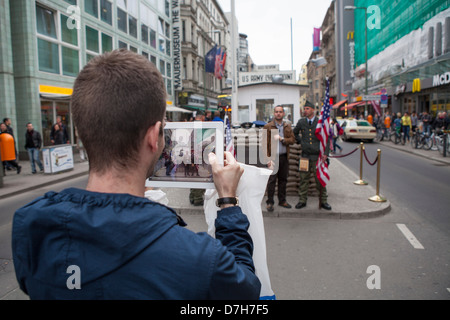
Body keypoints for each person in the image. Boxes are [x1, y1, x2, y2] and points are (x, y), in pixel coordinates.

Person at [12, 49, 261, 300]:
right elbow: (246, 291)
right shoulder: (198, 259)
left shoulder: (31, 229)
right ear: (154, 137)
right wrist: (228, 202)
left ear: (81, 133)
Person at [293, 101, 332, 210]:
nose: (305, 110)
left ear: (313, 110)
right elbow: (294, 132)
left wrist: (325, 153)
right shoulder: (301, 122)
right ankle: (302, 200)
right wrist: (301, 142)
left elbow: (327, 138)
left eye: (307, 109)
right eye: (304, 109)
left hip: (317, 157)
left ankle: (323, 201)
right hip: (305, 156)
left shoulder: (320, 122)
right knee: (303, 179)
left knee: (319, 179)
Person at [263, 105, 295, 212]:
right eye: (276, 111)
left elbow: (292, 140)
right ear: (274, 113)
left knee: (283, 180)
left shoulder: (287, 126)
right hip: (273, 158)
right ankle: (270, 202)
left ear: (283, 113)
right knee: (272, 181)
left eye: (280, 112)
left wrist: (282, 139)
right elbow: (264, 144)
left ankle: (282, 200)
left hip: (284, 157)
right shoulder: (268, 126)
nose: (278, 113)